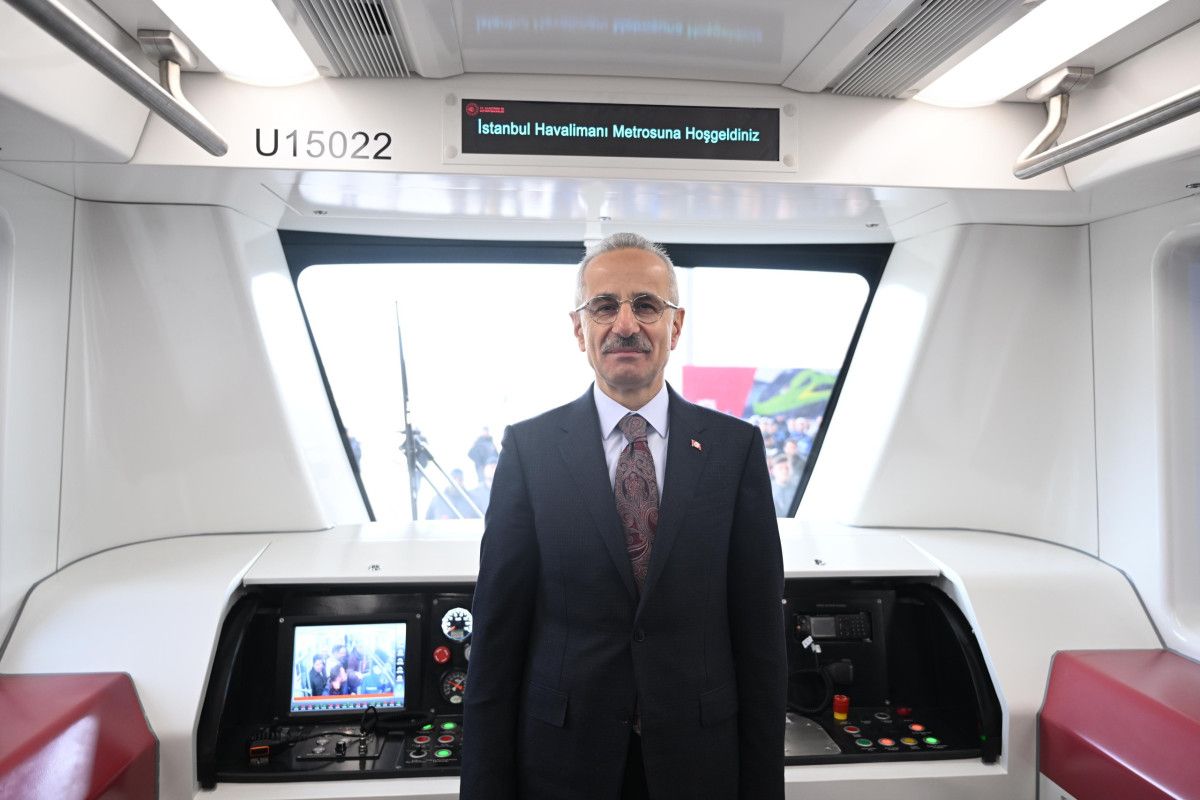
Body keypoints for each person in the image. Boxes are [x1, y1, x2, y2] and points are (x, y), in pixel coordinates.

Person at [461, 232, 785, 799]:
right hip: (563, 763)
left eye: (647, 305)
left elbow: (760, 640)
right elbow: (495, 642)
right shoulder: (530, 451)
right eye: (605, 306)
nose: (626, 324)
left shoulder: (735, 451)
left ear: (675, 326)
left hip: (700, 762)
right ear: (578, 328)